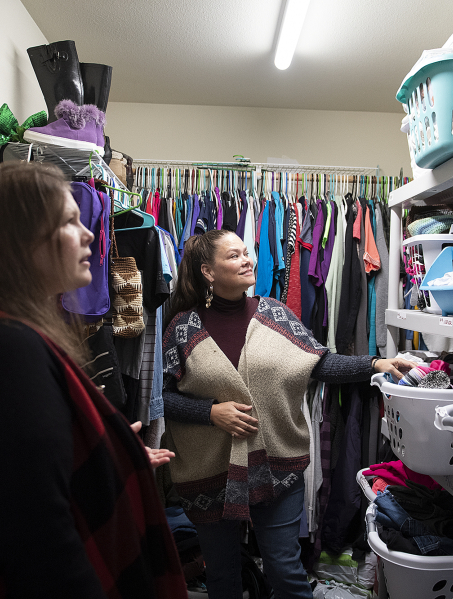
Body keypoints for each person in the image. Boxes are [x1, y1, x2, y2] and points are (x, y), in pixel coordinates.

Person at [0, 163, 187, 599]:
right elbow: (35, 538)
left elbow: (24, 463)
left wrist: (102, 447)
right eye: (70, 222)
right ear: (21, 240)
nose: (90, 234)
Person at [161, 229, 414, 599]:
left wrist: (375, 362)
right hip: (207, 471)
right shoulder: (183, 328)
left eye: (247, 253)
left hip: (278, 464)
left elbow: (319, 363)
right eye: (234, 256)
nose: (247, 260)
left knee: (285, 569)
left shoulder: (274, 314)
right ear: (208, 272)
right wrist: (210, 412)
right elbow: (160, 399)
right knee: (222, 574)